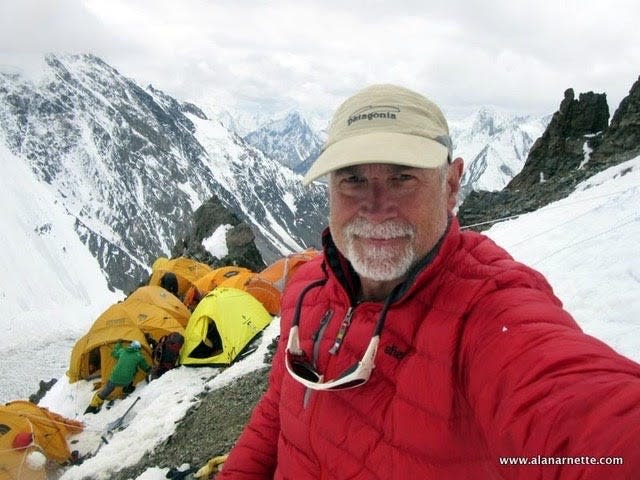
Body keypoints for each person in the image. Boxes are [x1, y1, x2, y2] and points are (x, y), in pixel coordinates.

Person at [217, 84, 640, 479]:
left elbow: (577, 407)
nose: (375, 207)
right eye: (352, 179)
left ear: (451, 184)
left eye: (403, 177)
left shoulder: (490, 311)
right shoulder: (306, 287)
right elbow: (278, 409)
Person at [85, 340, 151, 414]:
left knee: (106, 391)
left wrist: (118, 344)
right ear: (138, 349)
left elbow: (114, 353)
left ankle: (92, 406)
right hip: (126, 381)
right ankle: (126, 391)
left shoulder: (122, 351)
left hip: (114, 378)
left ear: (130, 346)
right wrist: (150, 369)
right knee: (133, 372)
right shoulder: (139, 356)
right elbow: (145, 367)